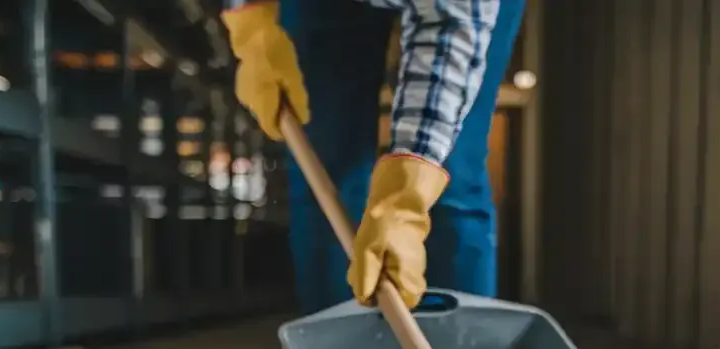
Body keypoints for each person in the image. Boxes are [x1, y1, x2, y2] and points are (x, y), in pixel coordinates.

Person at [221, 0, 525, 315]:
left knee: (451, 175)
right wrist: (252, 22)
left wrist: (406, 196)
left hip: (459, 10)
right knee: (325, 177)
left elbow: (451, 26)